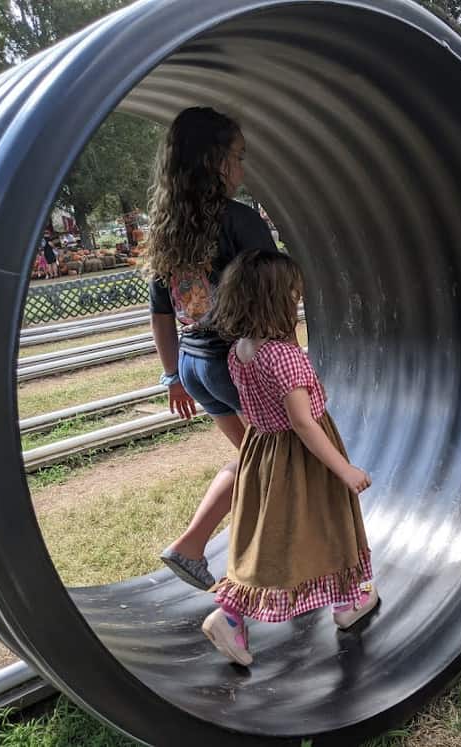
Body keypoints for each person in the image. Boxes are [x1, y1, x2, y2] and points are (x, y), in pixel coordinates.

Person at [201, 250, 378, 666]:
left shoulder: (241, 350)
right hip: (302, 457)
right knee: (326, 523)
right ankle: (232, 614)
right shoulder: (284, 356)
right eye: (294, 295)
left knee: (273, 533)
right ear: (276, 301)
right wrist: (344, 468)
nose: (298, 302)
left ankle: (348, 598)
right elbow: (302, 422)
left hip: (263, 449)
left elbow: (255, 407)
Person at [146, 107, 277, 591]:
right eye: (239, 157)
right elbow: (274, 295)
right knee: (283, 460)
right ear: (215, 162)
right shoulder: (239, 222)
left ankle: (193, 545)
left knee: (255, 458)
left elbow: (161, 313)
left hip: (195, 363)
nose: (243, 168)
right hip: (237, 363)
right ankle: (252, 572)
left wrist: (172, 377)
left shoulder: (167, 230)